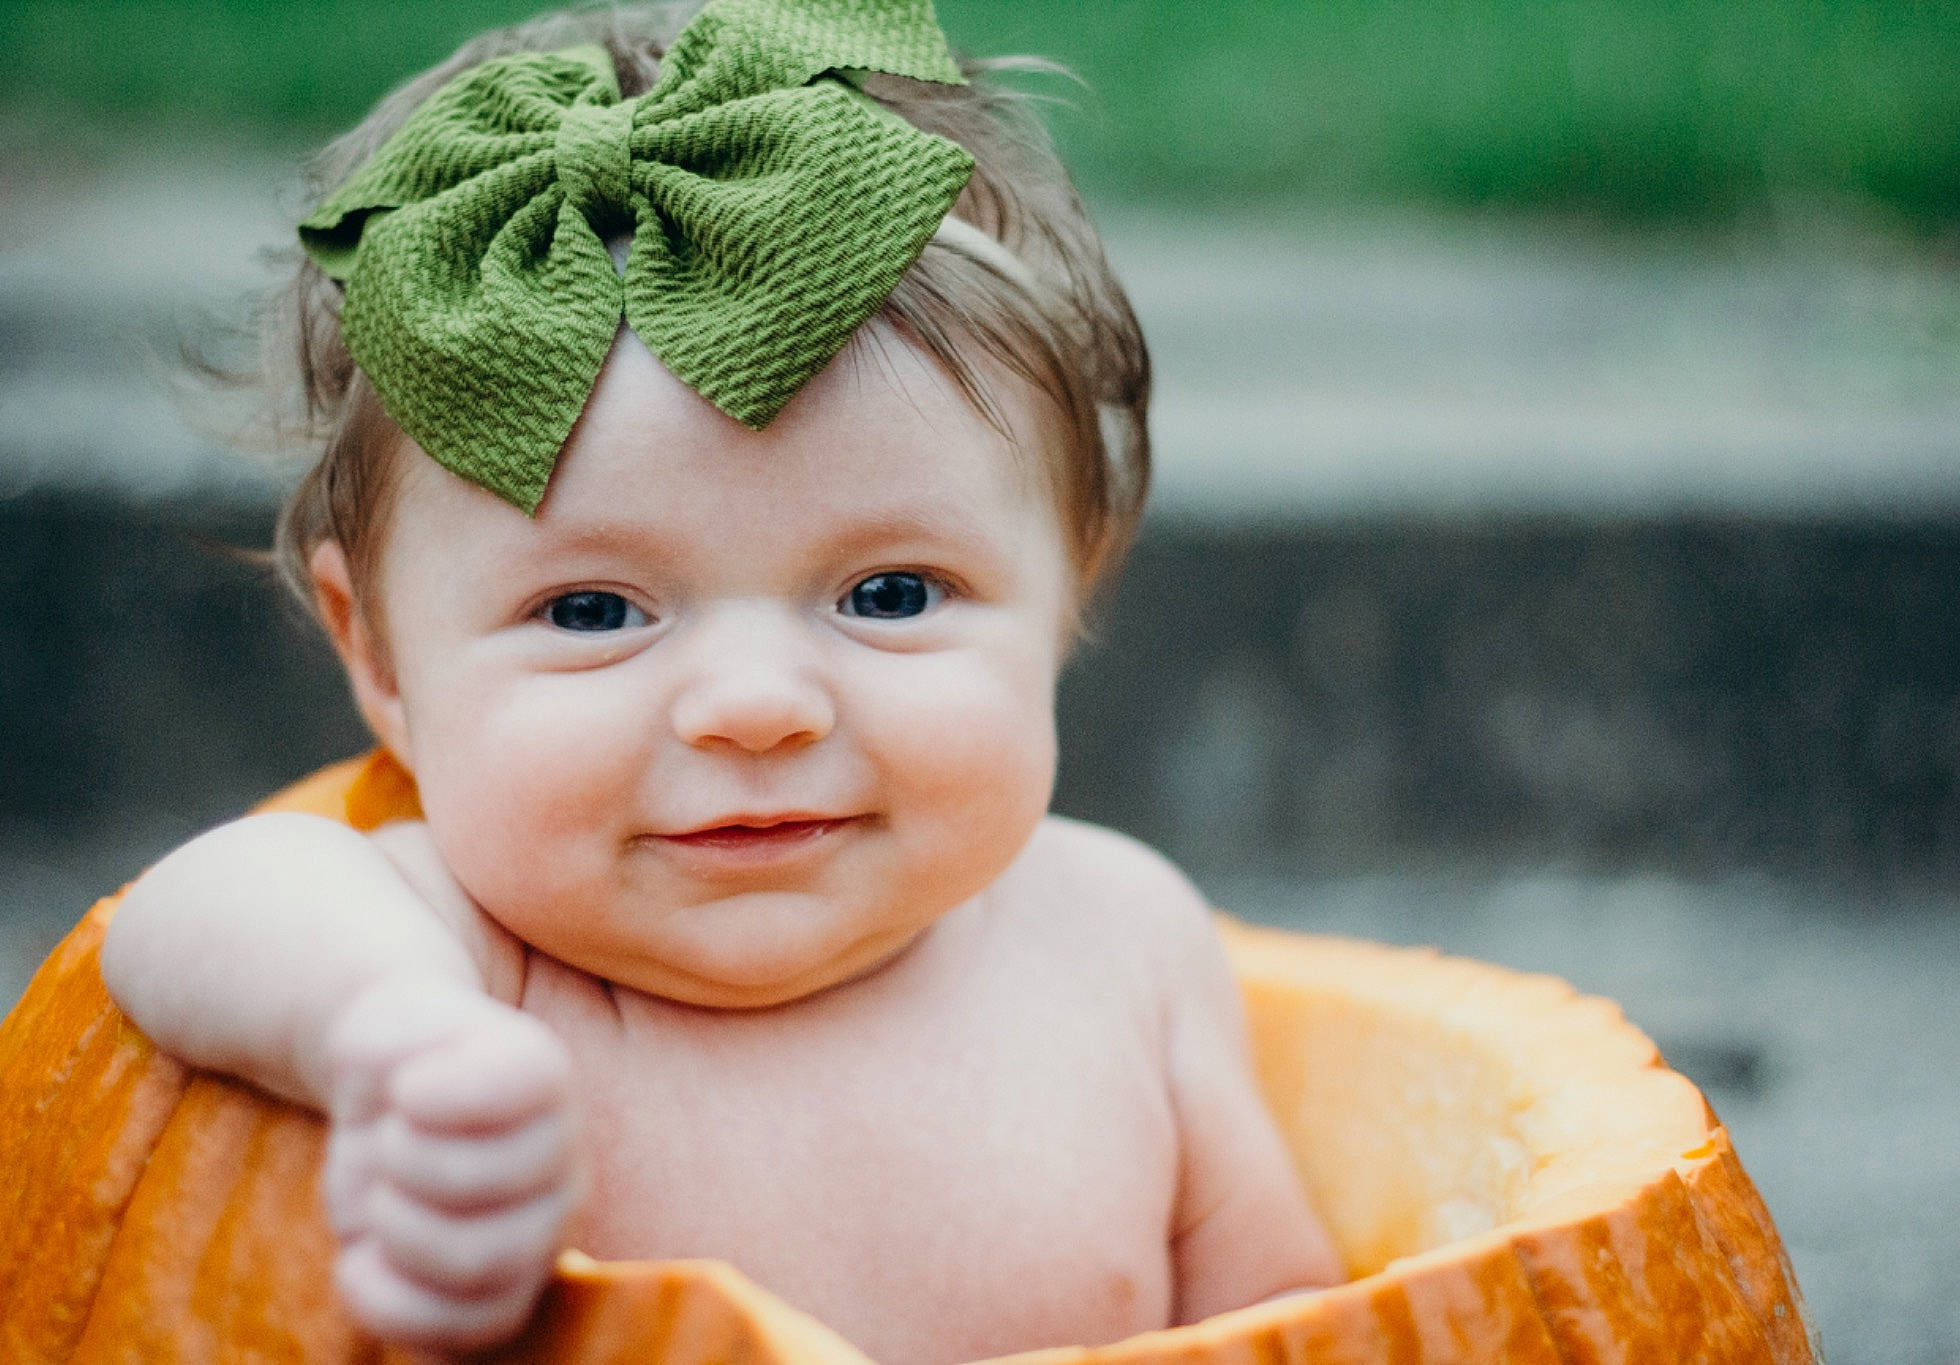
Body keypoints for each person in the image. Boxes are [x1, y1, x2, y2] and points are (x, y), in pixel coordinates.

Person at [98, 1, 1341, 1358]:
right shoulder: (466, 961)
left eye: (890, 594)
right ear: (379, 658)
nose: (757, 703)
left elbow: (1295, 1324)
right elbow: (183, 916)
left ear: (1068, 590)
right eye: (590, 609)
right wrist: (389, 1032)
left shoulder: (1124, 941)